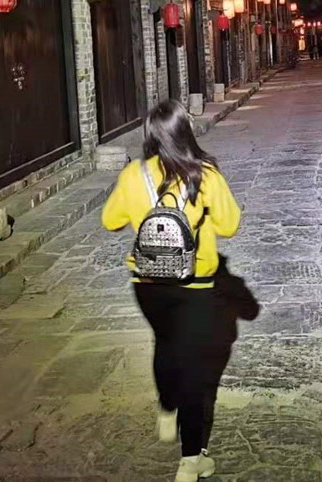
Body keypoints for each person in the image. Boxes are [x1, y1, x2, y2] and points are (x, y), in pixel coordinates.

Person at [102, 99, 242, 482]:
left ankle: (167, 408)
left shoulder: (133, 174)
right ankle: (191, 460)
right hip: (194, 283)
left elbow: (110, 220)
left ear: (150, 135)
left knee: (164, 343)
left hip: (148, 283)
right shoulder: (204, 174)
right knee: (195, 369)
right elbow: (230, 225)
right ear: (185, 131)